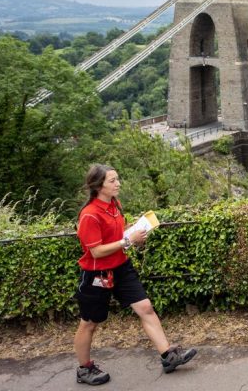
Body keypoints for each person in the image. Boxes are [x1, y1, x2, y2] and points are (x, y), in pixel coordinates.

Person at [73, 164, 197, 385]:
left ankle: (168, 355)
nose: (118, 183)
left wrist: (135, 232)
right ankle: (84, 369)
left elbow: (119, 233)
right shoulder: (89, 215)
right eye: (112, 180)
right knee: (89, 322)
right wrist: (127, 241)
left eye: (117, 179)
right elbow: (95, 250)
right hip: (96, 274)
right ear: (98, 185)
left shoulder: (114, 204)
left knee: (145, 307)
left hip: (121, 267)